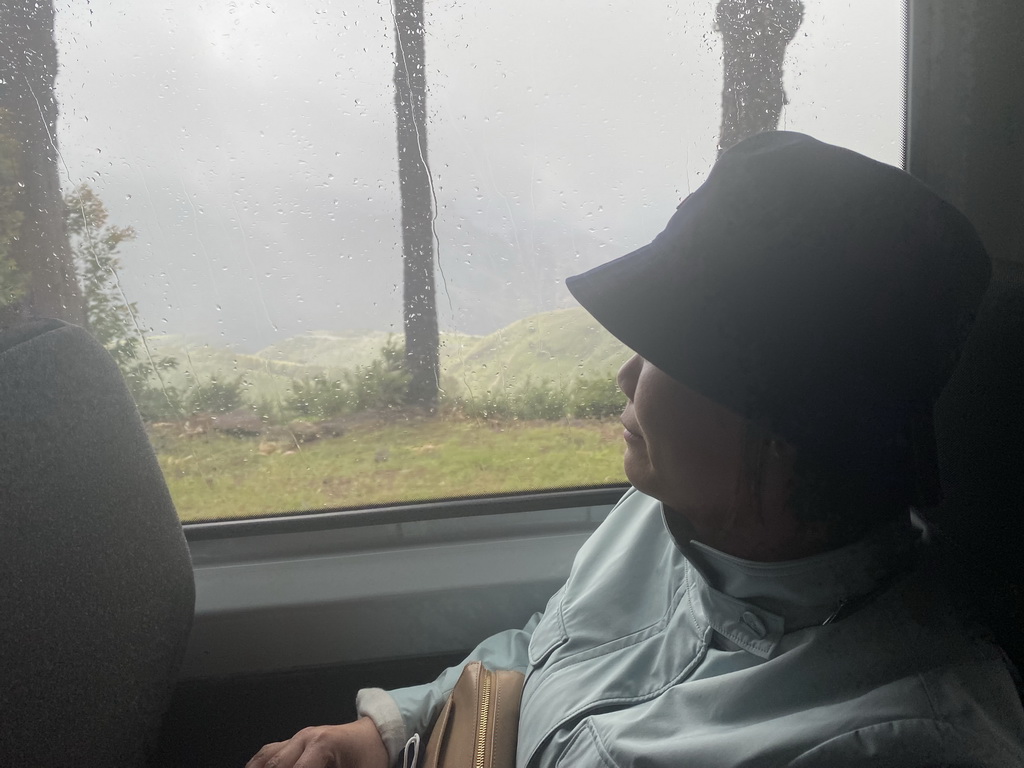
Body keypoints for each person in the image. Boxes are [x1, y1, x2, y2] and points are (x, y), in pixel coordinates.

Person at [246, 132, 1024, 767]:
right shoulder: (658, 519)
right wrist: (382, 737)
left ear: (786, 431)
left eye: (662, 353)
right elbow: (542, 652)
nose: (624, 373)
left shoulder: (900, 741)